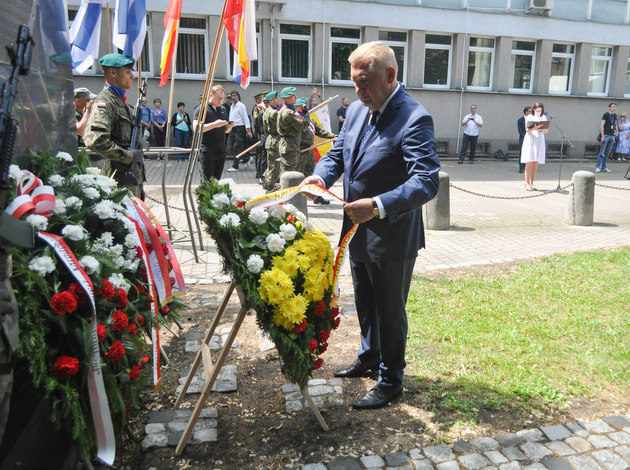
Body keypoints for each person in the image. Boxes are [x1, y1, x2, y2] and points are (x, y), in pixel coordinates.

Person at [302, 41, 440, 409]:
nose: (358, 91)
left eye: (365, 82)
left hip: (392, 234)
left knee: (390, 309)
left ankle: (391, 378)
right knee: (364, 298)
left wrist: (378, 206)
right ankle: (370, 355)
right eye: (354, 84)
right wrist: (320, 178)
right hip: (356, 229)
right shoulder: (361, 110)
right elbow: (337, 153)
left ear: (390, 75)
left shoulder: (414, 117)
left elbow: (426, 180)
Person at [84, 53, 146, 197]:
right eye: (127, 72)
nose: (133, 77)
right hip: (117, 184)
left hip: (131, 180)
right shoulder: (105, 103)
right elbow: (96, 140)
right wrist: (128, 156)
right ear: (113, 72)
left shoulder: (120, 102)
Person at [295, 97, 336, 205]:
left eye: (305, 106)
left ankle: (317, 196)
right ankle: (295, 198)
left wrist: (333, 136)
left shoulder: (310, 119)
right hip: (300, 151)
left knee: (312, 173)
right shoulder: (295, 118)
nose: (305, 108)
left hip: (309, 151)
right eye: (302, 106)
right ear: (297, 107)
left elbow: (319, 131)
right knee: (297, 175)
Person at [193, 85, 234, 181]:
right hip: (208, 150)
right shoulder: (201, 108)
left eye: (222, 99)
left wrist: (229, 128)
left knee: (217, 180)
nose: (220, 101)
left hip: (221, 149)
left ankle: (216, 195)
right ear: (211, 95)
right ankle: (206, 196)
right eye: (218, 98)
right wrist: (214, 124)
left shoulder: (223, 109)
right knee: (207, 180)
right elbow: (196, 128)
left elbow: (224, 131)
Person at [277, 86, 311, 177]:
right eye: (293, 96)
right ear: (286, 98)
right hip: (290, 146)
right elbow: (303, 126)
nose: (296, 97)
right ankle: (286, 190)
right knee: (289, 175)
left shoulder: (288, 110)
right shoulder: (288, 112)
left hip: (290, 145)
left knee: (289, 173)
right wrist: (306, 114)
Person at [520, 101, 548, 191]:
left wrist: (541, 129)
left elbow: (546, 131)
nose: (538, 112)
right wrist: (535, 127)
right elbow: (527, 130)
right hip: (531, 139)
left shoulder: (543, 117)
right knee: (529, 161)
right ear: (534, 109)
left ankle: (532, 183)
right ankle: (527, 183)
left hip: (539, 139)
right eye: (537, 110)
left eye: (540, 111)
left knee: (536, 161)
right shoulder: (529, 117)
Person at [227, 90, 253, 172]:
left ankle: (235, 166)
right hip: (232, 128)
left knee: (236, 147)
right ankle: (247, 158)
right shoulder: (232, 106)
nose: (233, 97)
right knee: (230, 147)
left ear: (238, 96)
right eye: (232, 96)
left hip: (239, 128)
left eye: (235, 95)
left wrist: (248, 131)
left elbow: (245, 118)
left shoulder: (241, 106)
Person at [262, 90, 282, 190]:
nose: (278, 99)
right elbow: (280, 128)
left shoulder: (266, 111)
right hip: (275, 141)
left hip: (270, 139)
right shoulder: (275, 113)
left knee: (271, 165)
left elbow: (266, 130)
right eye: (276, 98)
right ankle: (269, 187)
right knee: (274, 167)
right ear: (271, 100)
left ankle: (267, 183)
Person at [596, 102, 618, 173]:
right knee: (602, 152)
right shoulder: (606, 115)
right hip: (606, 135)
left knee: (607, 153)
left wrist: (617, 132)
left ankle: (604, 167)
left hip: (612, 136)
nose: (614, 108)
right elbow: (602, 125)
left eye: (615, 107)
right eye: (613, 106)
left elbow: (615, 125)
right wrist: (602, 136)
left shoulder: (614, 115)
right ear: (609, 108)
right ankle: (598, 167)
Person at [517, 106, 532, 173]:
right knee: (522, 153)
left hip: (531, 139)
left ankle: (527, 167)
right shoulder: (520, 120)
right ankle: (521, 168)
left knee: (529, 154)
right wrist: (526, 137)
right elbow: (520, 131)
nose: (531, 113)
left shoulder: (532, 120)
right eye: (530, 111)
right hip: (523, 139)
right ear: (526, 112)